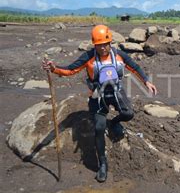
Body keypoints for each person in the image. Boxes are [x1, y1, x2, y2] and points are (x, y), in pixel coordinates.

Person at [42, 25, 157, 183]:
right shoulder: (88, 57)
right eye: (99, 45)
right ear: (94, 44)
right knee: (98, 127)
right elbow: (70, 70)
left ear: (110, 42)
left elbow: (135, 67)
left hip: (116, 91)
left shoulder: (119, 55)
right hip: (98, 95)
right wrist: (54, 69)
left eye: (105, 44)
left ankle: (114, 122)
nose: (102, 48)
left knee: (128, 114)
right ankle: (102, 164)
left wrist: (147, 82)